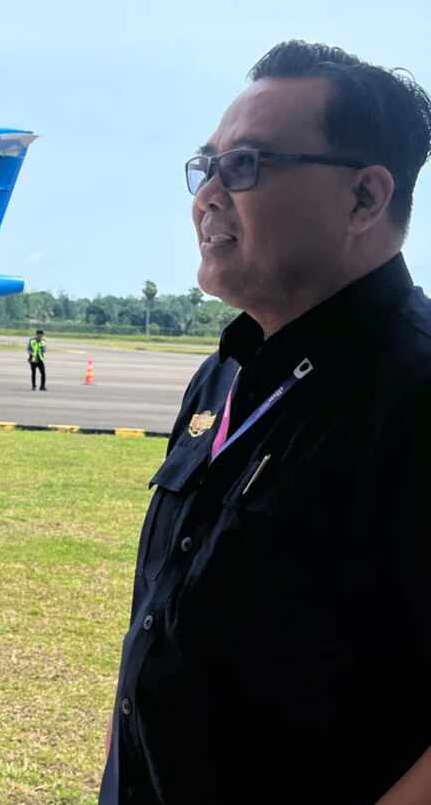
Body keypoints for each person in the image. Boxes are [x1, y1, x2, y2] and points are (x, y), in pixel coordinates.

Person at [100, 40, 431, 805]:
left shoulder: (415, 396)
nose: (207, 195)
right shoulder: (226, 373)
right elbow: (157, 623)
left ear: (365, 199)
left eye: (245, 166)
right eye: (204, 165)